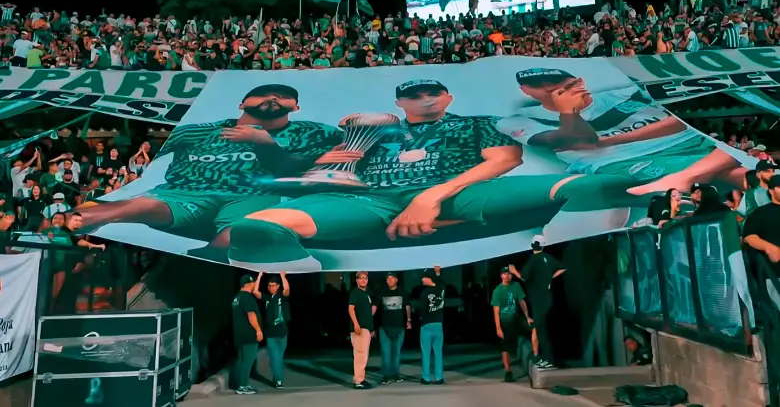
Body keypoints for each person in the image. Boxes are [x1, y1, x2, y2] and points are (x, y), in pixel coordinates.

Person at [226, 79, 654, 268]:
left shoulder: (473, 122)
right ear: (401, 102)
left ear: (448, 96)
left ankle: (555, 252)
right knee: (255, 230)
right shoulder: (374, 129)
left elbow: (504, 160)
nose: (425, 98)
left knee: (608, 184)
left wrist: (431, 198)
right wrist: (342, 152)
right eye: (414, 94)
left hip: (459, 191)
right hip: (366, 199)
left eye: (433, 92)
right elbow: (313, 170)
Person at [72, 84, 344, 261]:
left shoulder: (313, 132)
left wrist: (264, 143)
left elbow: (299, 167)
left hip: (255, 194)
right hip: (184, 191)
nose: (273, 99)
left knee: (246, 224)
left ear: (295, 107)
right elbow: (151, 152)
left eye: (283, 97)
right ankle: (82, 219)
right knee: (145, 203)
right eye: (264, 94)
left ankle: (208, 258)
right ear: (242, 103)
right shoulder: (198, 131)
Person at [497, 68, 747, 198]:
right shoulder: (518, 120)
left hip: (686, 141)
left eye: (571, 85)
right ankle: (688, 177)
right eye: (553, 92)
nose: (570, 92)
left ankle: (684, 177)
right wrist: (569, 114)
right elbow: (575, 140)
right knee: (736, 171)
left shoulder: (625, 92)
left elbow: (677, 121)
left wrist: (610, 139)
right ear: (527, 91)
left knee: (732, 156)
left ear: (580, 80)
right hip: (622, 160)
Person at [521, 235, 565, 369]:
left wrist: (513, 271)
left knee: (541, 331)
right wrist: (551, 277)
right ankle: (546, 358)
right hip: (547, 298)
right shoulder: (548, 258)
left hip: (539, 300)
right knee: (544, 330)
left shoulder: (534, 259)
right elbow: (563, 267)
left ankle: (549, 360)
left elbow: (524, 276)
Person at [743, 175, 780, 308]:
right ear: (771, 190)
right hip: (774, 273)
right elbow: (749, 237)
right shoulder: (760, 213)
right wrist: (769, 248)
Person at [491, 265, 532, 382]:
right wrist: (498, 328)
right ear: (501, 276)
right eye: (505, 274)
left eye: (509, 274)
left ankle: (536, 355)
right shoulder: (497, 291)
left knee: (533, 327)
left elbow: (522, 301)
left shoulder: (516, 286)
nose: (507, 276)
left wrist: (527, 316)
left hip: (516, 318)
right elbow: (496, 311)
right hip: (505, 321)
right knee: (505, 348)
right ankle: (508, 371)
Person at [255, 271, 290, 389]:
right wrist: (259, 276)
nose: (271, 288)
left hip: (282, 332)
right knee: (274, 356)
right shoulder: (266, 297)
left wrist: (283, 277)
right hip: (270, 333)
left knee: (279, 357)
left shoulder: (281, 296)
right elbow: (255, 292)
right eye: (269, 286)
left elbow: (287, 290)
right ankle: (279, 380)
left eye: (273, 285)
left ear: (278, 286)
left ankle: (277, 376)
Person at [376, 272, 411, 384]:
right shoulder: (381, 292)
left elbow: (407, 306)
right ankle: (386, 376)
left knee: (396, 352)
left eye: (391, 278)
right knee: (386, 352)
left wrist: (409, 320)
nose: (389, 280)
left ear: (396, 280)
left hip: (399, 327)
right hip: (384, 327)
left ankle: (395, 375)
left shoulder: (402, 292)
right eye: (387, 278)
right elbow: (375, 306)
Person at [231, 274, 264, 395]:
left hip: (239, 334)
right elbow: (251, 315)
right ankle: (242, 386)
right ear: (250, 284)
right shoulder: (247, 297)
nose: (255, 284)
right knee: (248, 360)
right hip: (249, 334)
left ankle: (241, 383)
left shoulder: (237, 298)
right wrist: (258, 330)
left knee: (241, 360)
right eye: (254, 282)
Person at [348, 271, 376, 389]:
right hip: (359, 329)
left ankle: (361, 379)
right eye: (361, 278)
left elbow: (367, 314)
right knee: (360, 354)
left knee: (364, 355)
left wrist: (371, 328)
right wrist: (356, 324)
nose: (363, 280)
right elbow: (351, 308)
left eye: (365, 278)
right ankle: (358, 381)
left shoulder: (366, 294)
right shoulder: (356, 293)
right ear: (357, 280)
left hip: (366, 328)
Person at [418, 268, 445, 385]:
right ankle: (439, 377)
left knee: (426, 352)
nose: (422, 280)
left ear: (429, 278)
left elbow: (421, 309)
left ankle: (426, 377)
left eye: (423, 277)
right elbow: (441, 283)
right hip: (438, 324)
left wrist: (421, 316)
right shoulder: (440, 290)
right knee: (438, 352)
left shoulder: (424, 293)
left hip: (427, 325)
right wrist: (438, 273)